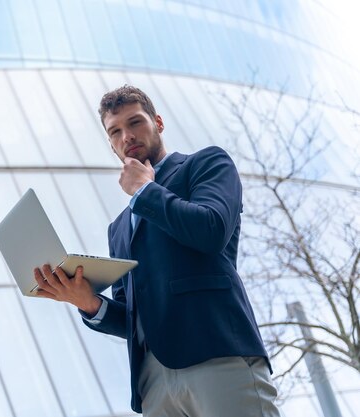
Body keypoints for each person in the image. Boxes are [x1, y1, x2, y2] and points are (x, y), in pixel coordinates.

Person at [33, 85, 280, 417]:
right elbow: (134, 315)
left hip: (217, 354)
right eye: (115, 131)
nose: (127, 136)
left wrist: (143, 190)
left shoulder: (206, 164)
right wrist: (87, 302)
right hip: (153, 384)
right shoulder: (119, 228)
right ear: (110, 143)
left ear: (158, 122)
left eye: (135, 122)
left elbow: (210, 230)